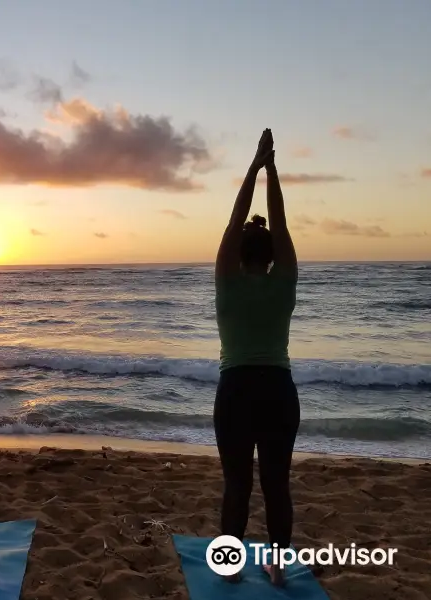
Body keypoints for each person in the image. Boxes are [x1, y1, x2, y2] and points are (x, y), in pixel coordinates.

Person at [213, 129, 299, 586]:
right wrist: (272, 170)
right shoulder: (283, 282)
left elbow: (233, 223)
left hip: (237, 391)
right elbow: (281, 225)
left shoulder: (226, 283)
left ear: (240, 252)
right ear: (270, 255)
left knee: (237, 486)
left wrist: (253, 166)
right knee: (276, 485)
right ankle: (278, 568)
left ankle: (230, 572)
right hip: (278, 391)